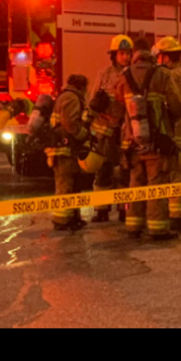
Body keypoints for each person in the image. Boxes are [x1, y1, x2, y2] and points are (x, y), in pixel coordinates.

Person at [114, 48, 181, 240]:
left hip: (131, 143)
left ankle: (133, 227)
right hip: (157, 142)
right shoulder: (162, 75)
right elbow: (177, 105)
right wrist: (170, 118)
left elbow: (116, 105)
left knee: (135, 183)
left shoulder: (123, 76)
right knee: (156, 184)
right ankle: (157, 228)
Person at [87, 35, 133, 223]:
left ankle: (124, 209)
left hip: (124, 131)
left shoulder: (133, 75)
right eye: (121, 54)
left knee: (124, 172)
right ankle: (101, 210)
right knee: (103, 172)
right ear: (114, 55)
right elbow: (92, 102)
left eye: (128, 54)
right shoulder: (104, 75)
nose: (125, 57)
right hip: (104, 132)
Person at [156, 36, 181, 232]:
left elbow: (172, 104)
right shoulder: (180, 73)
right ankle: (176, 215)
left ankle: (177, 217)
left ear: (166, 57)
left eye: (160, 56)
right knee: (174, 174)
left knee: (174, 175)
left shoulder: (174, 76)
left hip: (174, 131)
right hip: (179, 131)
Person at [48, 74, 90, 231]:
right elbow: (70, 124)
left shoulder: (67, 96)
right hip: (64, 149)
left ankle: (72, 218)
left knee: (73, 184)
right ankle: (61, 220)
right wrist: (84, 135)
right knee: (65, 184)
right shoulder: (71, 98)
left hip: (66, 149)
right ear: (81, 86)